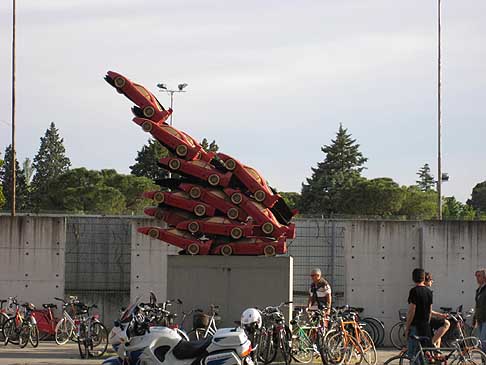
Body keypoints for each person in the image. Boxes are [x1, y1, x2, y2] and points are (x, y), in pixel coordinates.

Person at [405, 268, 433, 361]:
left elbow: (412, 310)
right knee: (422, 354)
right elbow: (430, 311)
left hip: (415, 326)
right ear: (424, 279)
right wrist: (427, 324)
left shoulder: (414, 291)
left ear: (413, 278)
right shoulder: (429, 292)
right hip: (425, 326)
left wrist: (407, 327)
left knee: (413, 354)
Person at [424, 272, 450, 347]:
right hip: (425, 319)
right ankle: (431, 344)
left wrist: (440, 315)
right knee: (447, 323)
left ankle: (436, 354)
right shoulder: (427, 292)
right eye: (431, 280)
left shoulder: (423, 291)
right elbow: (428, 310)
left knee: (438, 336)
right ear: (426, 281)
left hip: (424, 318)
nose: (432, 281)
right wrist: (441, 315)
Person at [473, 269, 486, 352]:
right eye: (476, 276)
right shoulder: (479, 290)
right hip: (480, 319)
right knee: (481, 342)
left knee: (483, 341)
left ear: (485, 277)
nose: (477, 278)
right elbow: (477, 305)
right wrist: (475, 318)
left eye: (479, 276)